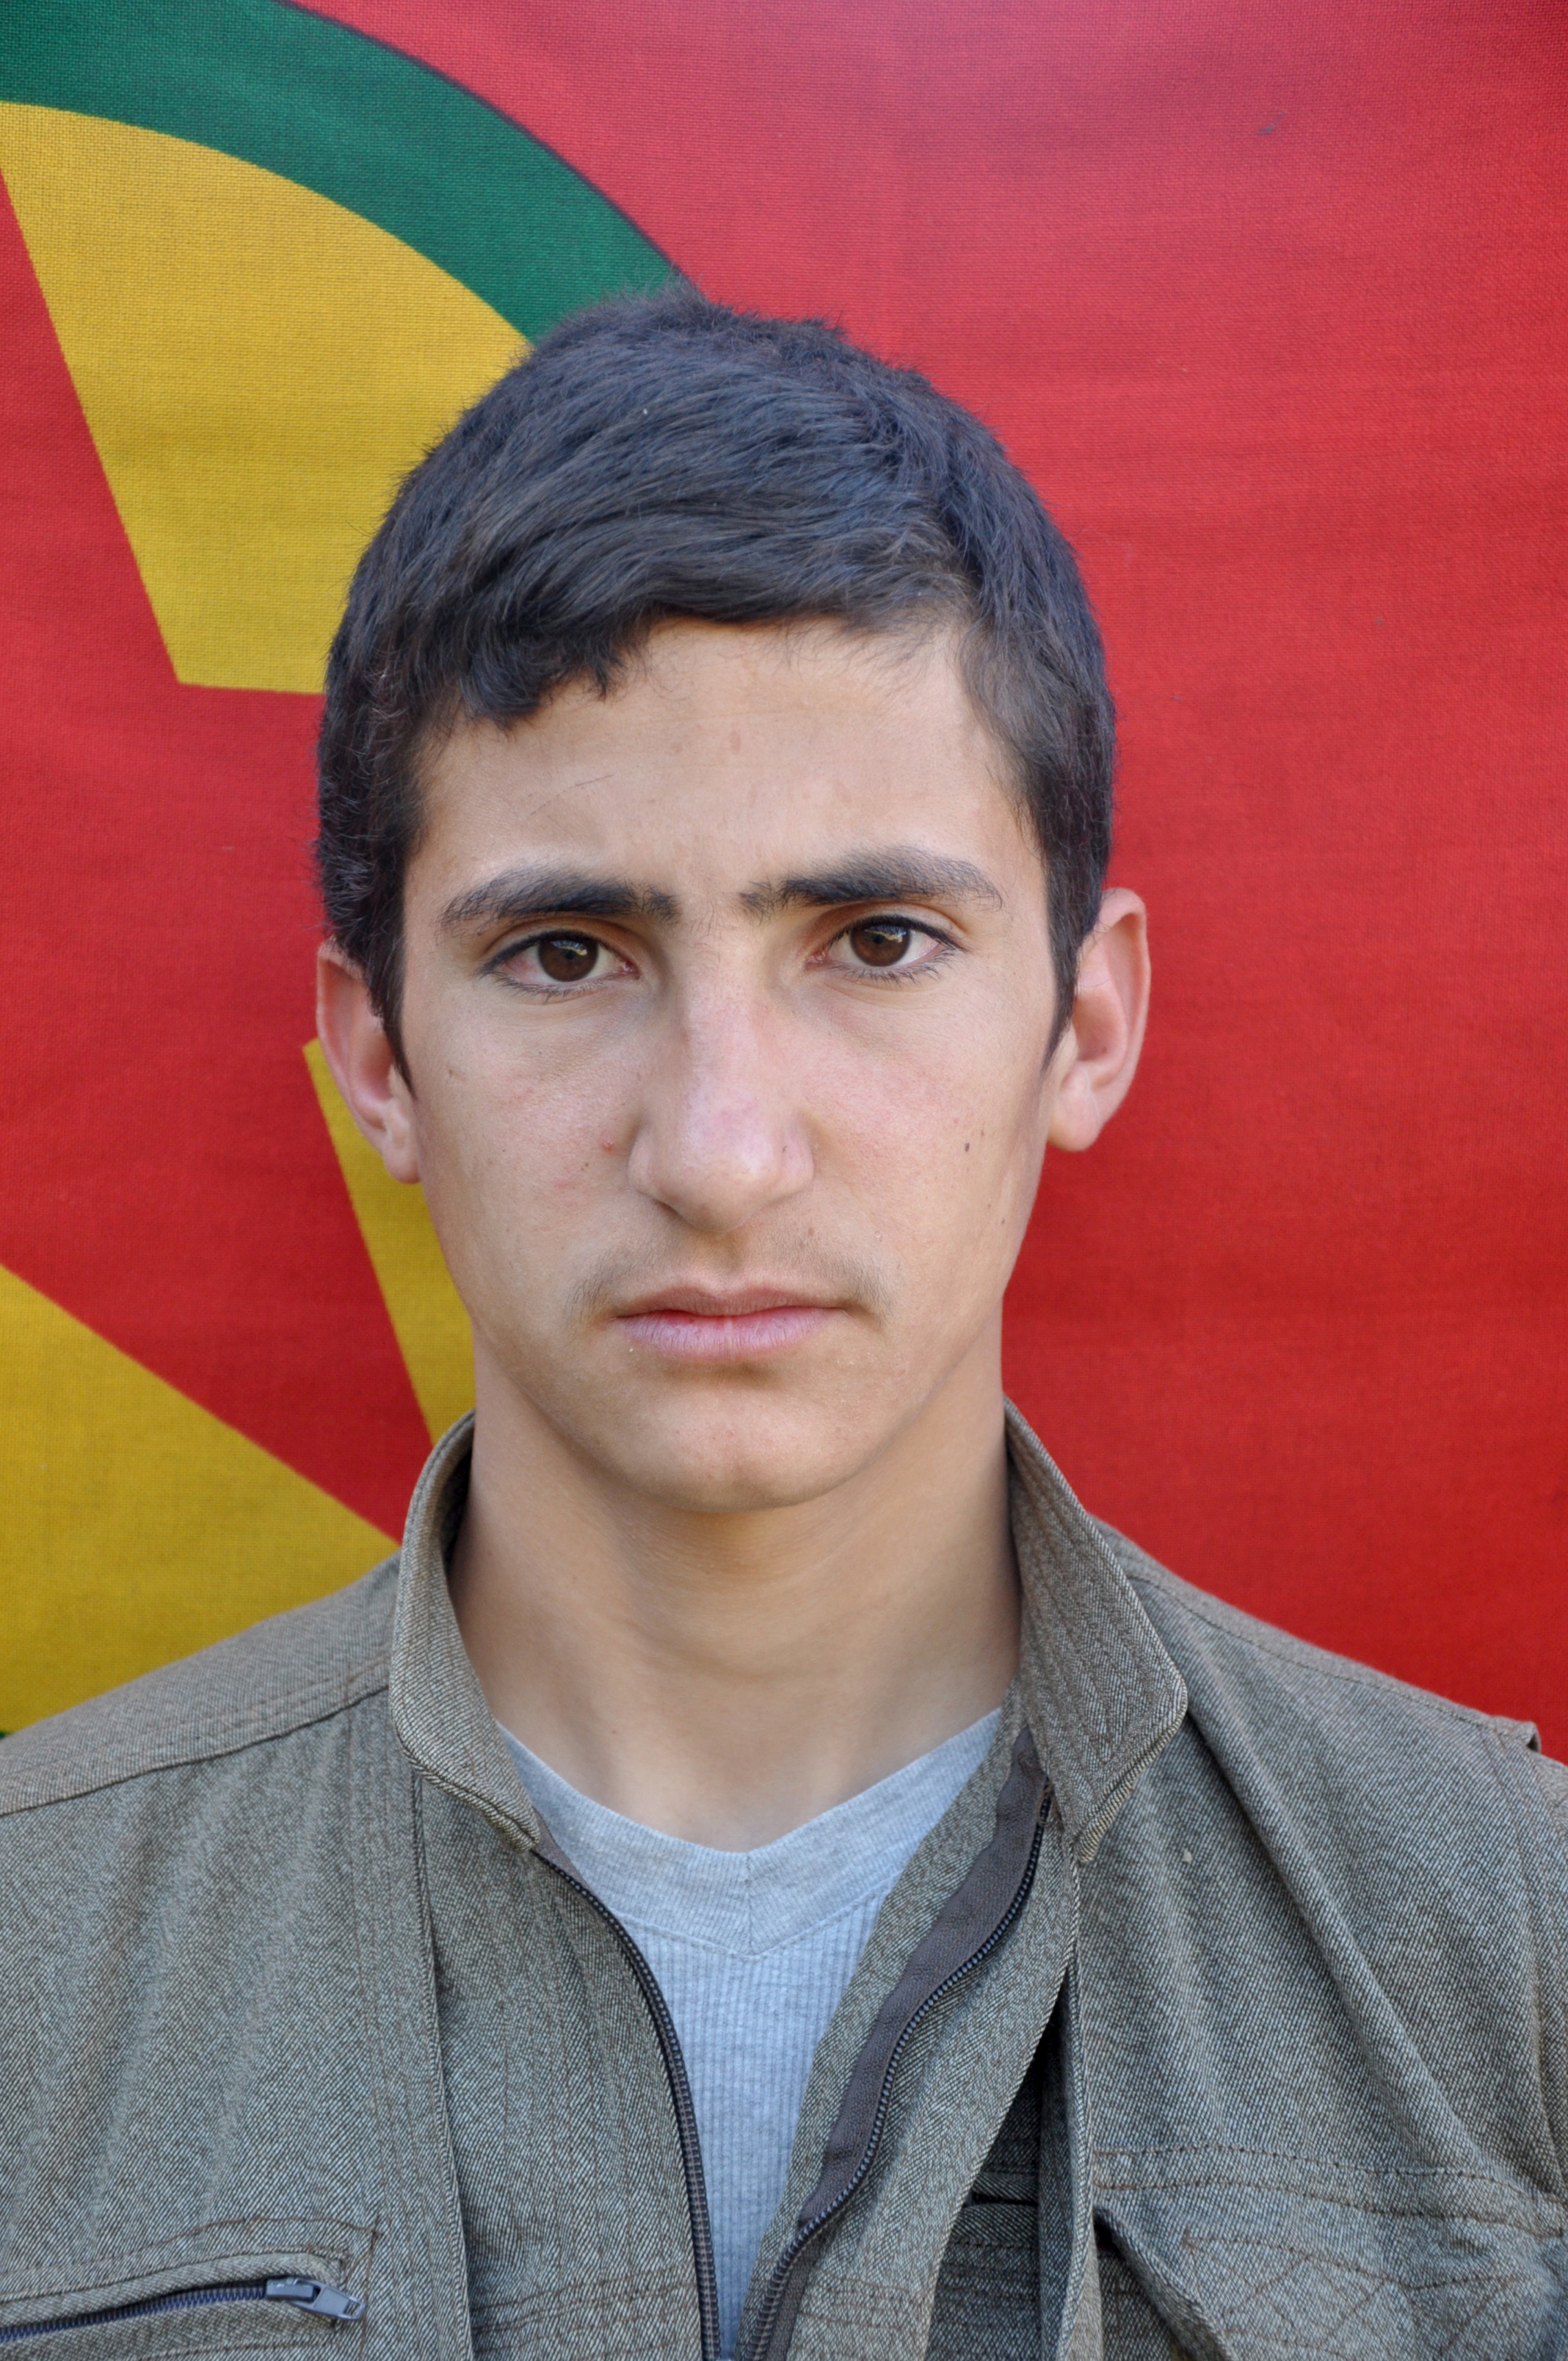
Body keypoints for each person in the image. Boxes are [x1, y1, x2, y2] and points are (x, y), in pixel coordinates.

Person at [2, 290, 1564, 2361]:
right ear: (377, 1057)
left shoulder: (1507, 1953)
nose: (722, 1154)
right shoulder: (29, 1961)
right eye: (567, 955)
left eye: (877, 942)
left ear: (1086, 1027)